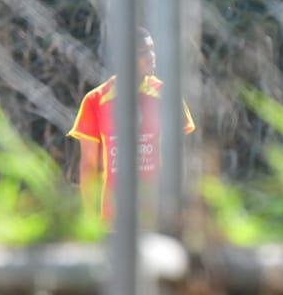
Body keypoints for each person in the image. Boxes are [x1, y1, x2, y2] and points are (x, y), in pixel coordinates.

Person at [68, 27, 195, 222]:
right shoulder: (95, 100)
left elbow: (179, 159)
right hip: (112, 219)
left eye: (152, 49)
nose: (152, 56)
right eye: (143, 52)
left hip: (158, 217)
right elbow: (89, 165)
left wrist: (178, 210)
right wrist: (90, 218)